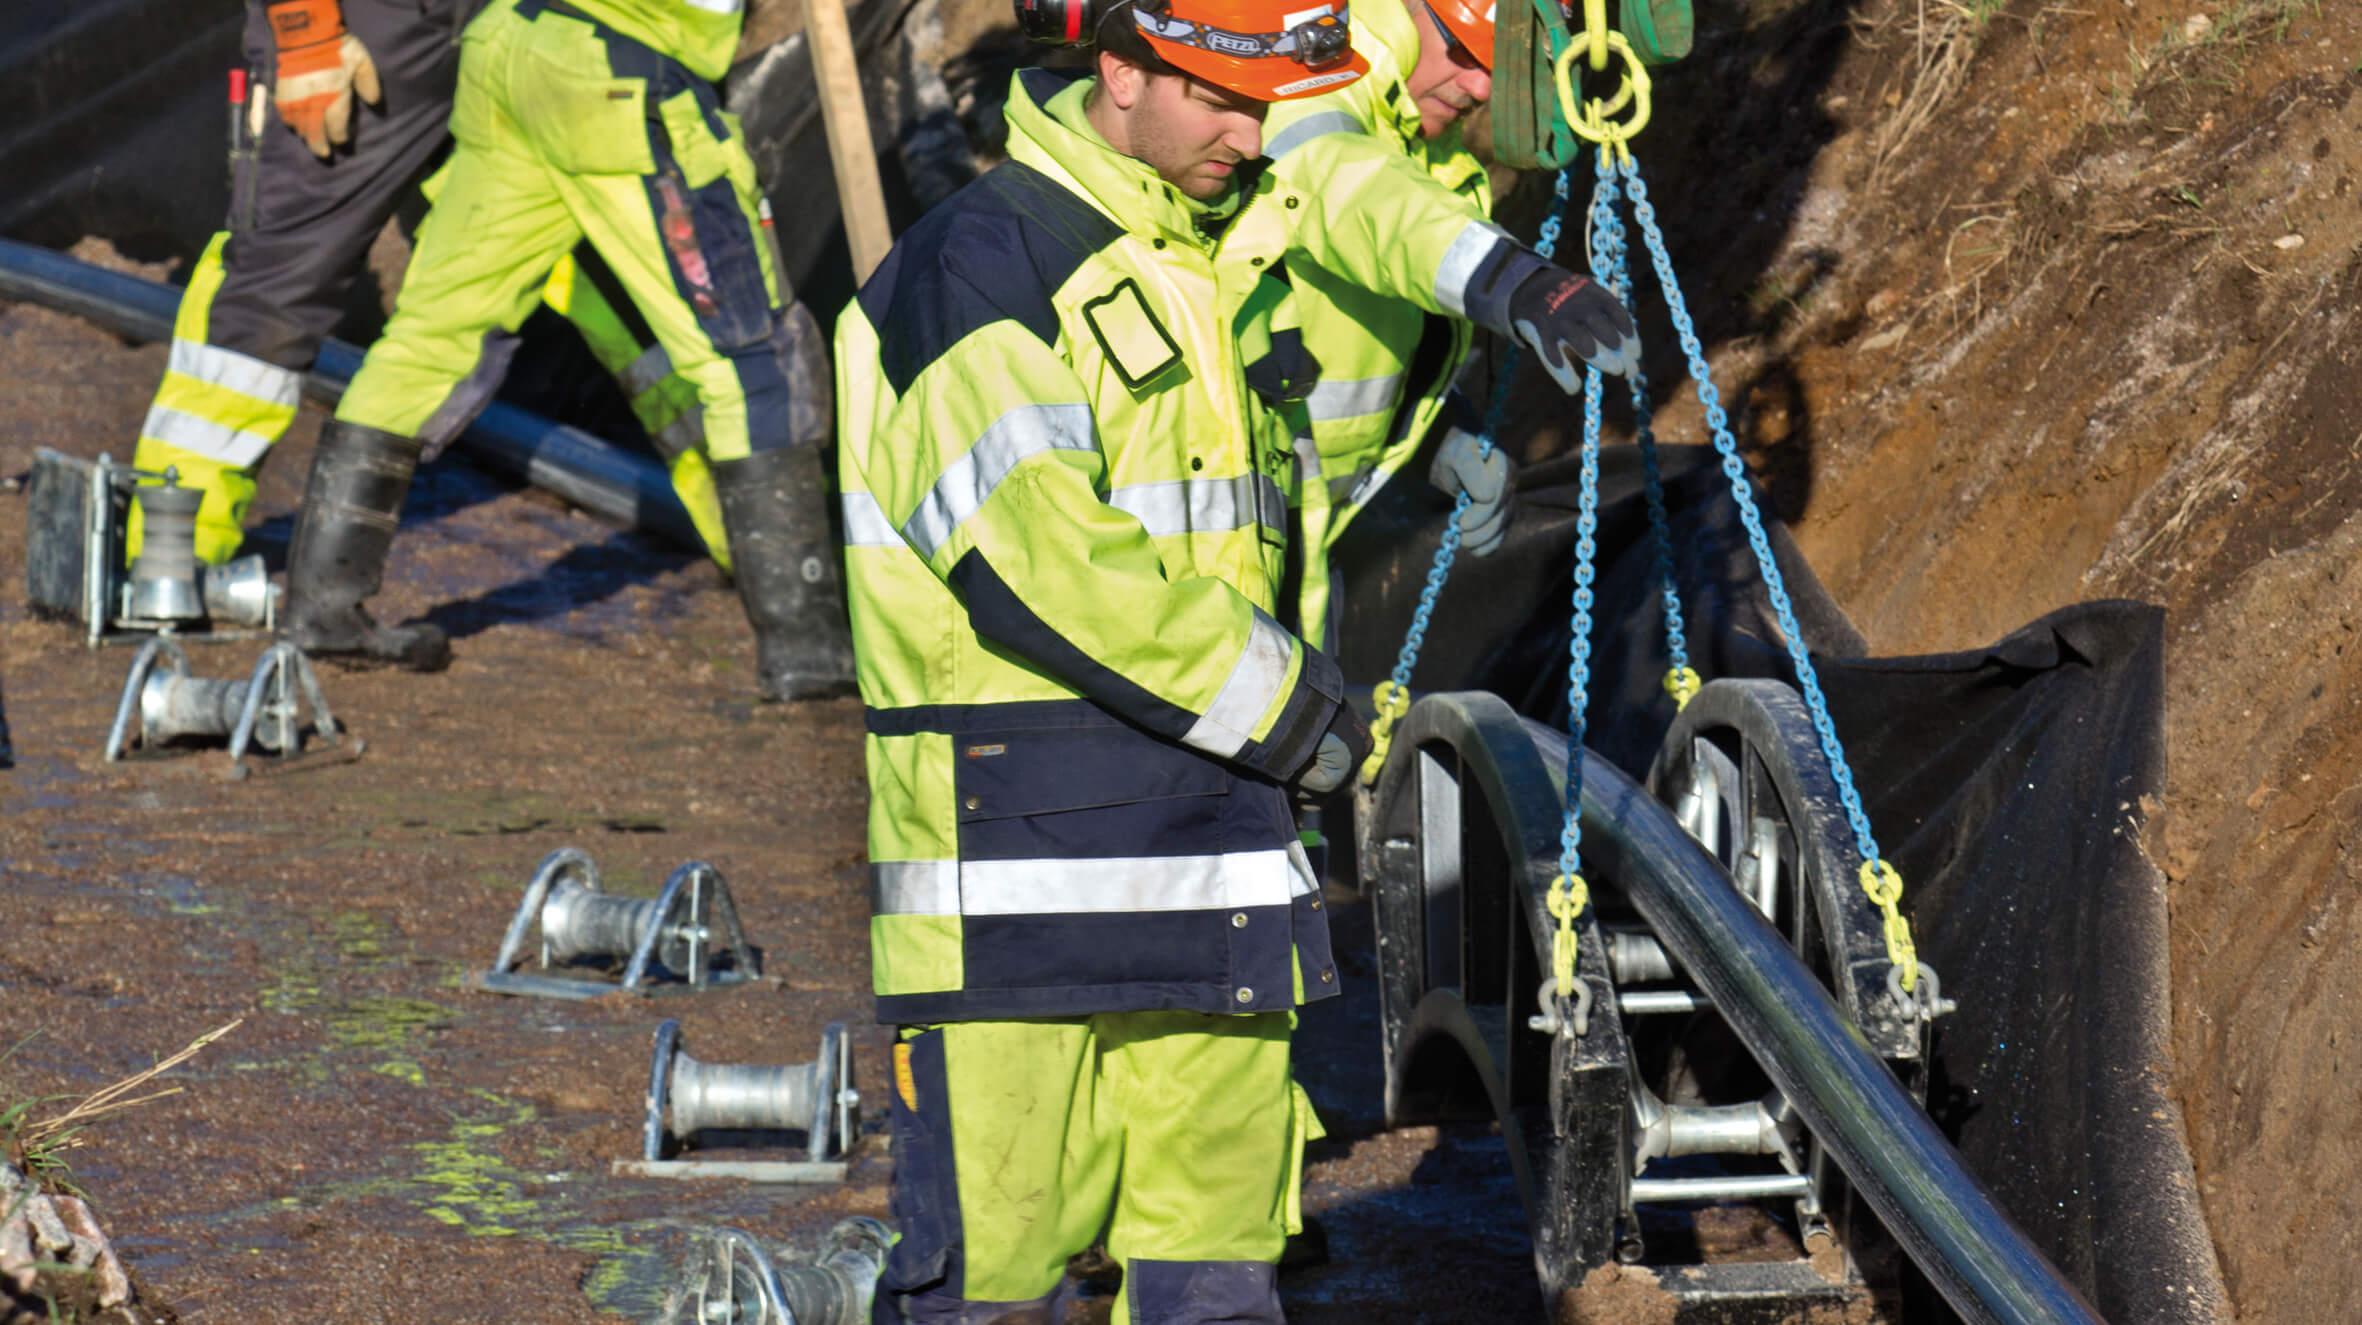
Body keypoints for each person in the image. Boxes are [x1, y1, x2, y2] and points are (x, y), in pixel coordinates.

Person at [834, 0, 1635, 1316]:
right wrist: (1299, 713)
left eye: (1258, 102)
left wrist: (1441, 424)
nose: (1245, 130)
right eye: (1212, 97)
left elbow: (1338, 228)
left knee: (1211, 1282)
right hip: (1016, 885)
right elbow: (1046, 565)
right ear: (1117, 70)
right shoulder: (976, 270)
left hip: (1209, 861)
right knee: (1000, 1284)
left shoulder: (1224, 262)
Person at [275, 0, 855, 699]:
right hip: (619, 78)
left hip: (515, 48)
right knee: (753, 362)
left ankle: (323, 608)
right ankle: (811, 652)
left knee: (430, 338)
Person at [125, 0, 734, 602]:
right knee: (277, 287)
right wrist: (305, 28)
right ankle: (170, 559)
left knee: (627, 278)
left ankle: (763, 542)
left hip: (533, 28)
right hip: (369, 27)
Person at [1263, 0, 1514, 647]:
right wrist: (1500, 275)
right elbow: (1341, 189)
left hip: (1311, 552)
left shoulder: (1435, 157)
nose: (1480, 85)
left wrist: (1440, 439)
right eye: (1460, 48)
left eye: (1495, 59)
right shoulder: (1309, 76)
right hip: (1223, 565)